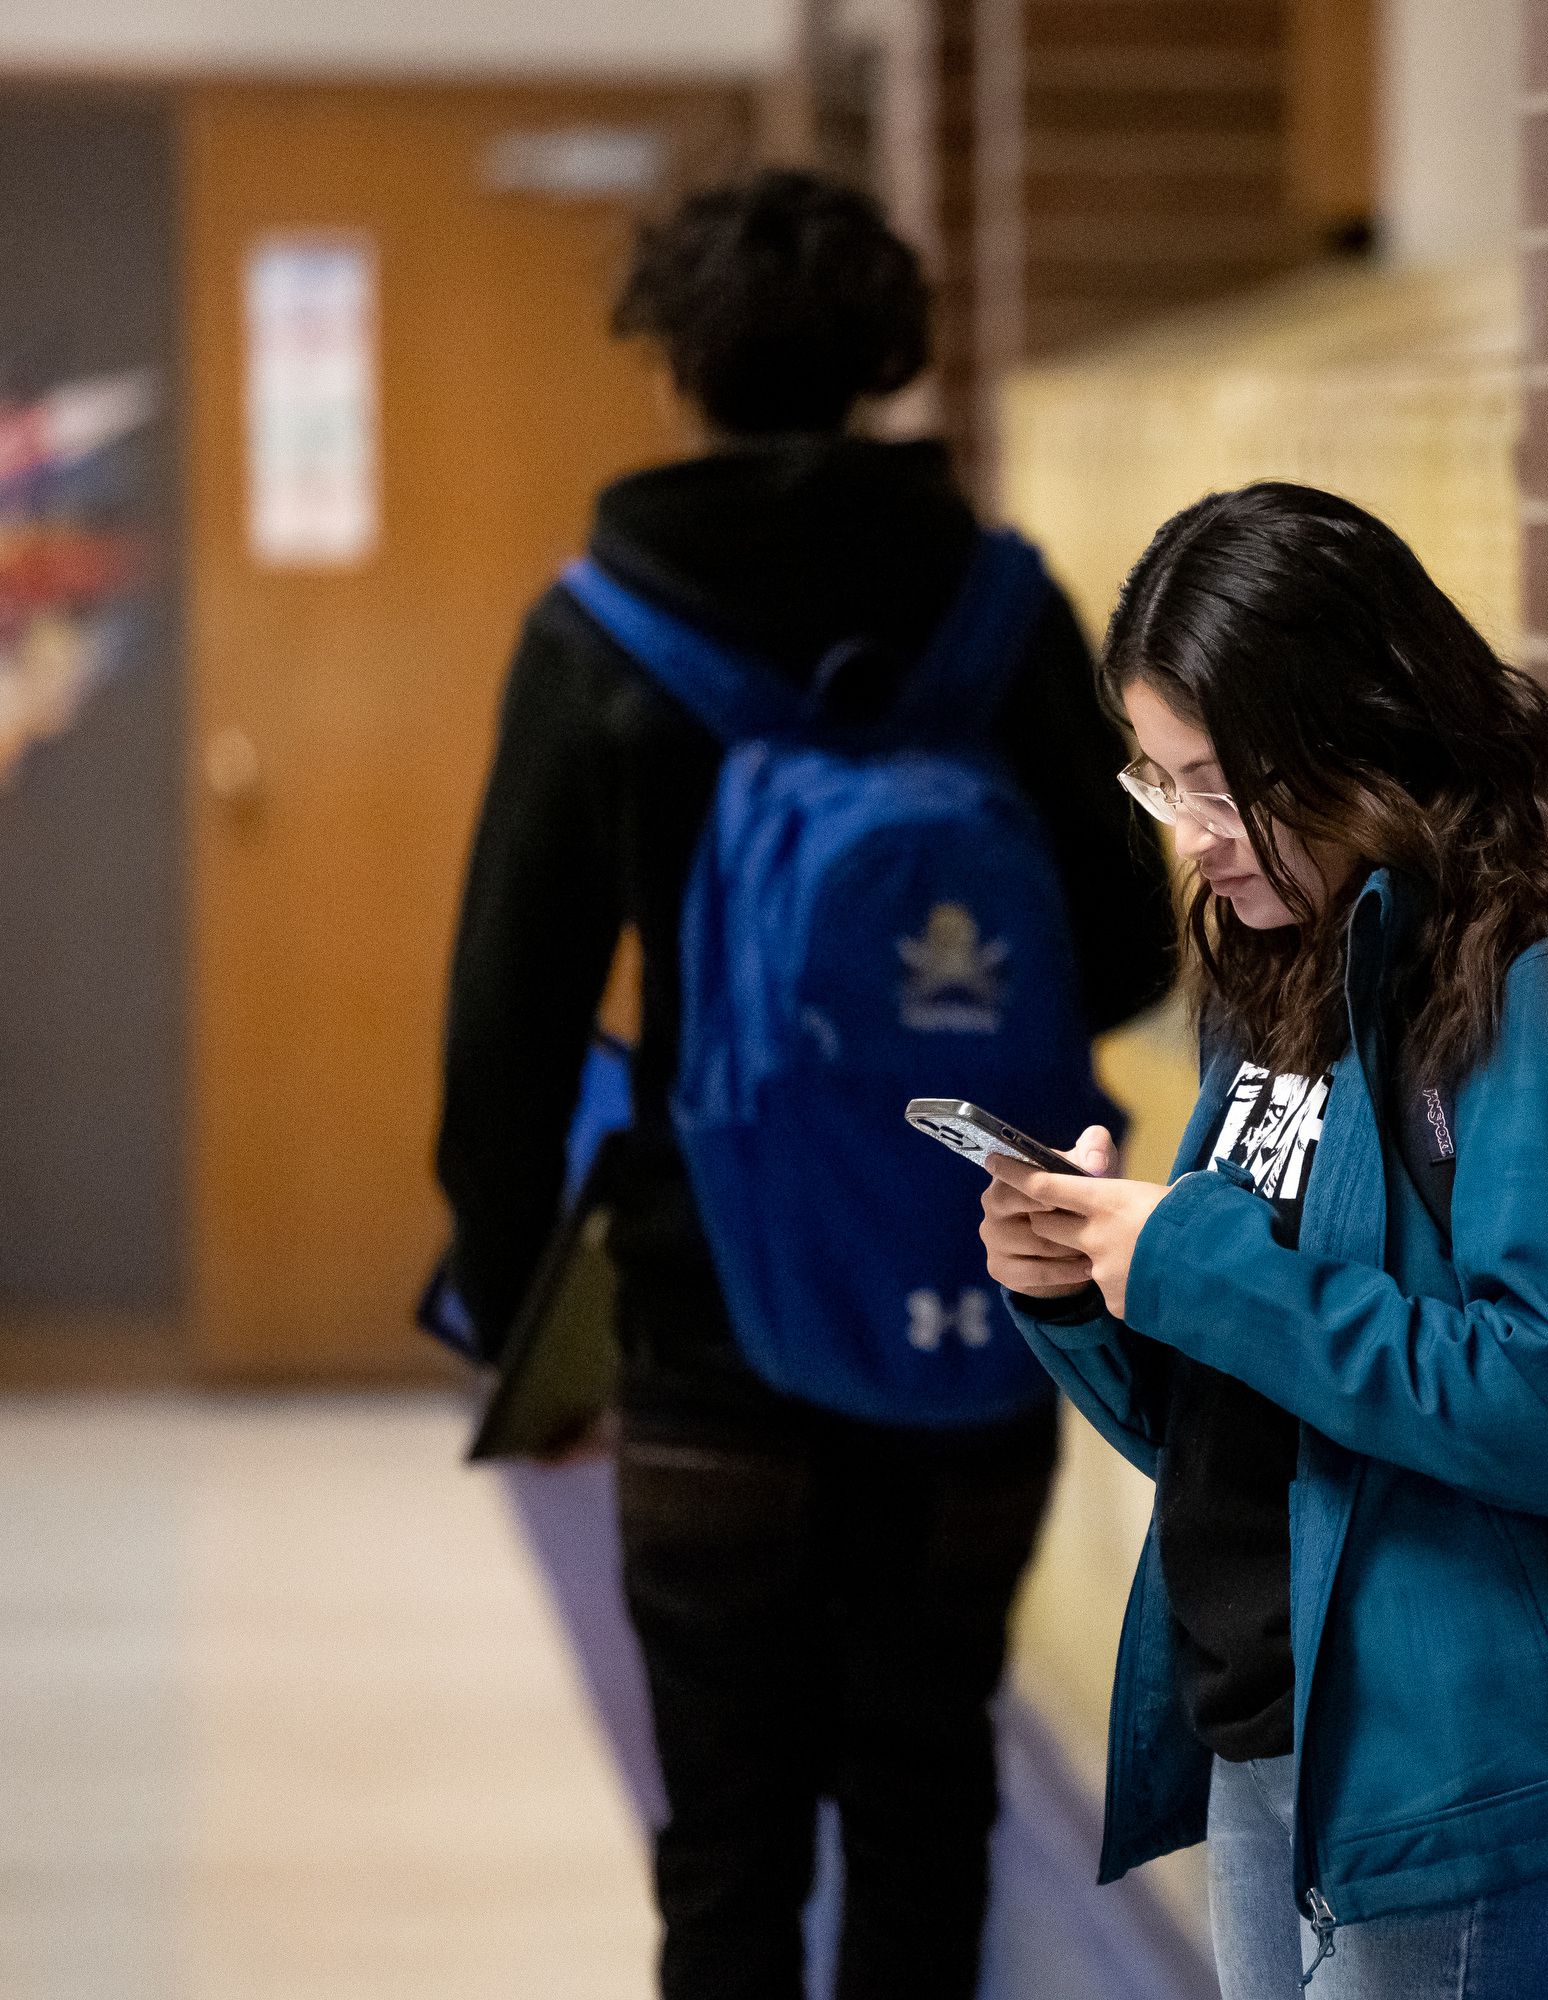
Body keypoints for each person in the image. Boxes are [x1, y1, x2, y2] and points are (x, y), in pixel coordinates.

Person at [435, 168, 1177, 1999]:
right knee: (930, 1802)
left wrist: (538, 1329)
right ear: (882, 362)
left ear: (677, 364)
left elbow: (504, 1036)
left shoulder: (600, 631)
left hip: (704, 1320)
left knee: (728, 1847)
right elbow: (1136, 955)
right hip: (971, 1286)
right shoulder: (1001, 611)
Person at [977, 482, 1548, 2000]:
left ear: (1353, 741)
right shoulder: (1292, 974)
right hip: (1286, 1738)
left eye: (1217, 785)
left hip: (1468, 1783)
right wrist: (1088, 1289)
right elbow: (1257, 1411)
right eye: (1159, 786)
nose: (1192, 841)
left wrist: (1191, 1262)